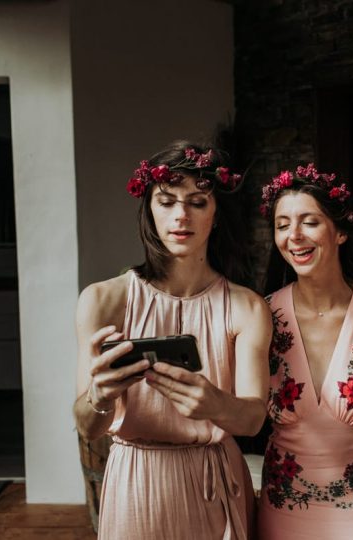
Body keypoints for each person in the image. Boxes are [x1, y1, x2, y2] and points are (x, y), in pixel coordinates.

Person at [72, 141, 271, 539]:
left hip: (215, 477)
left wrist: (215, 404)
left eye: (198, 202)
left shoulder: (246, 306)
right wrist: (100, 395)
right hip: (137, 481)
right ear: (149, 210)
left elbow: (252, 419)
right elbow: (87, 426)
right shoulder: (103, 300)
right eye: (166, 201)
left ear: (215, 216)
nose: (181, 215)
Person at [256, 164, 353, 539]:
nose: (294, 236)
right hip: (282, 511)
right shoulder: (259, 316)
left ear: (340, 231)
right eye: (282, 225)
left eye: (309, 222)